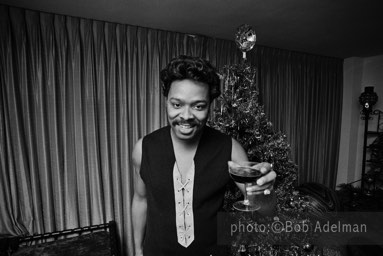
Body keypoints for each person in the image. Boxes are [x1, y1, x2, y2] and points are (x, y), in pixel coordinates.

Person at [131, 55, 276, 256]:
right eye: (177, 104)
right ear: (166, 101)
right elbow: (140, 200)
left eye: (198, 106)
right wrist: (137, 249)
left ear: (210, 105)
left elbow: (262, 210)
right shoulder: (143, 148)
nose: (186, 116)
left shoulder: (230, 149)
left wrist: (265, 191)